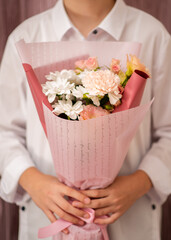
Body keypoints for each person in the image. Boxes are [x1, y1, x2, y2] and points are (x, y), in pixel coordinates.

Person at [0, 0, 171, 239]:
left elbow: (168, 132)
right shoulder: (27, 35)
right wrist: (33, 181)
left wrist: (138, 183)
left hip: (129, 217)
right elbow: (5, 131)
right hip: (48, 215)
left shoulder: (153, 35)